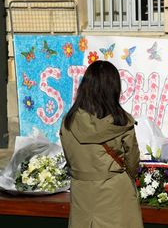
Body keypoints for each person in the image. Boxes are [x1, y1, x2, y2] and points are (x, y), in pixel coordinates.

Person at [60, 60, 143, 228]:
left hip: (82, 193)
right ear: (114, 88)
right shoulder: (120, 122)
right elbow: (132, 163)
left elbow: (69, 158)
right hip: (115, 192)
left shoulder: (69, 121)